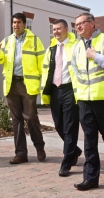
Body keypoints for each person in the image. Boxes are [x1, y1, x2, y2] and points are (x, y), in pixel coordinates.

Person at [71, 13, 104, 190]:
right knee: (89, 141)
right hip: (85, 101)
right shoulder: (77, 47)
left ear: (92, 23)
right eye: (76, 24)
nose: (78, 27)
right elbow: (76, 74)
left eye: (82, 23)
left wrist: (97, 56)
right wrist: (77, 97)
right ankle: (91, 178)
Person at [0, 12, 46, 164]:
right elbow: (0, 59)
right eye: (14, 23)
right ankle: (21, 153)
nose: (15, 25)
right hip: (11, 84)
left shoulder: (35, 41)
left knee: (31, 117)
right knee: (16, 120)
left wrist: (43, 85)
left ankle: (39, 147)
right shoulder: (7, 41)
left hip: (27, 84)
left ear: (24, 24)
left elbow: (43, 64)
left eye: (18, 23)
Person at [40, 19, 82, 177]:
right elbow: (46, 71)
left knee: (70, 126)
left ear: (66, 29)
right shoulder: (51, 48)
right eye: (54, 29)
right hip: (55, 90)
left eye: (58, 29)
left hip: (70, 89)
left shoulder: (76, 45)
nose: (56, 32)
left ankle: (66, 163)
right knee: (58, 125)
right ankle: (75, 150)